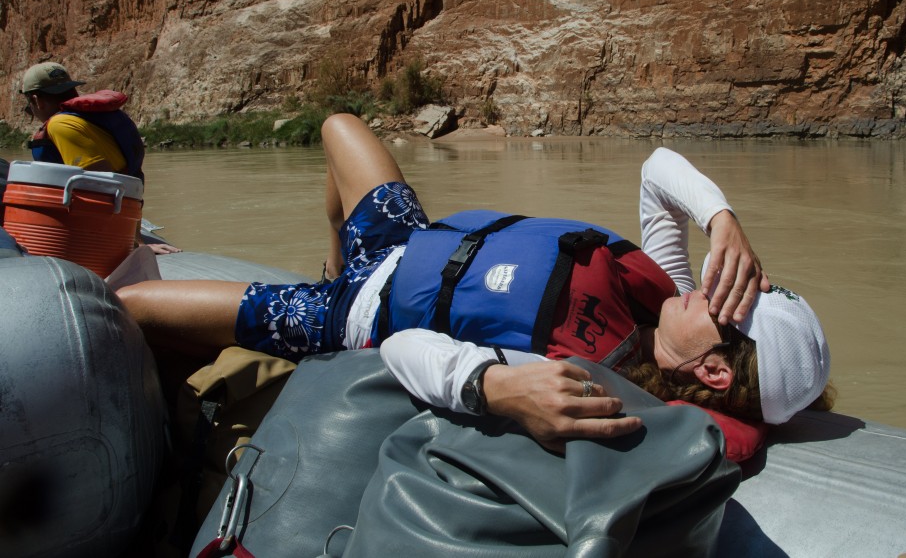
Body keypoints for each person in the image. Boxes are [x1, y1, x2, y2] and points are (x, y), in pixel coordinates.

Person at [118, 114, 831, 448]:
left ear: (709, 371)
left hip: (357, 315)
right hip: (409, 241)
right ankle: (333, 255)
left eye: (731, 301)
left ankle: (328, 287)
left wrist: (495, 389)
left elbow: (405, 354)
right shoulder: (663, 298)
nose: (712, 283)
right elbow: (657, 171)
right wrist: (723, 218)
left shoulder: (590, 380)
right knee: (337, 126)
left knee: (129, 306)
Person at [18, 61, 179, 254]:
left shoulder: (60, 125)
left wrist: (135, 244)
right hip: (128, 211)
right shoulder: (91, 117)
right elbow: (127, 183)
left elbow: (103, 186)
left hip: (103, 231)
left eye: (29, 105)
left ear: (36, 100)